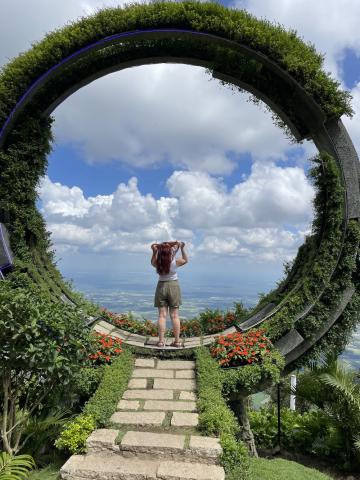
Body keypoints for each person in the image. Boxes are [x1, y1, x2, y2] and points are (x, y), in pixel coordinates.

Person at [151, 240, 188, 348]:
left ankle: (161, 342)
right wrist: (181, 248)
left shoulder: (157, 263)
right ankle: (177, 342)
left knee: (162, 316)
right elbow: (185, 259)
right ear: (170, 252)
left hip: (161, 286)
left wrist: (155, 251)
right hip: (173, 286)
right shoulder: (175, 262)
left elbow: (153, 251)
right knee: (175, 315)